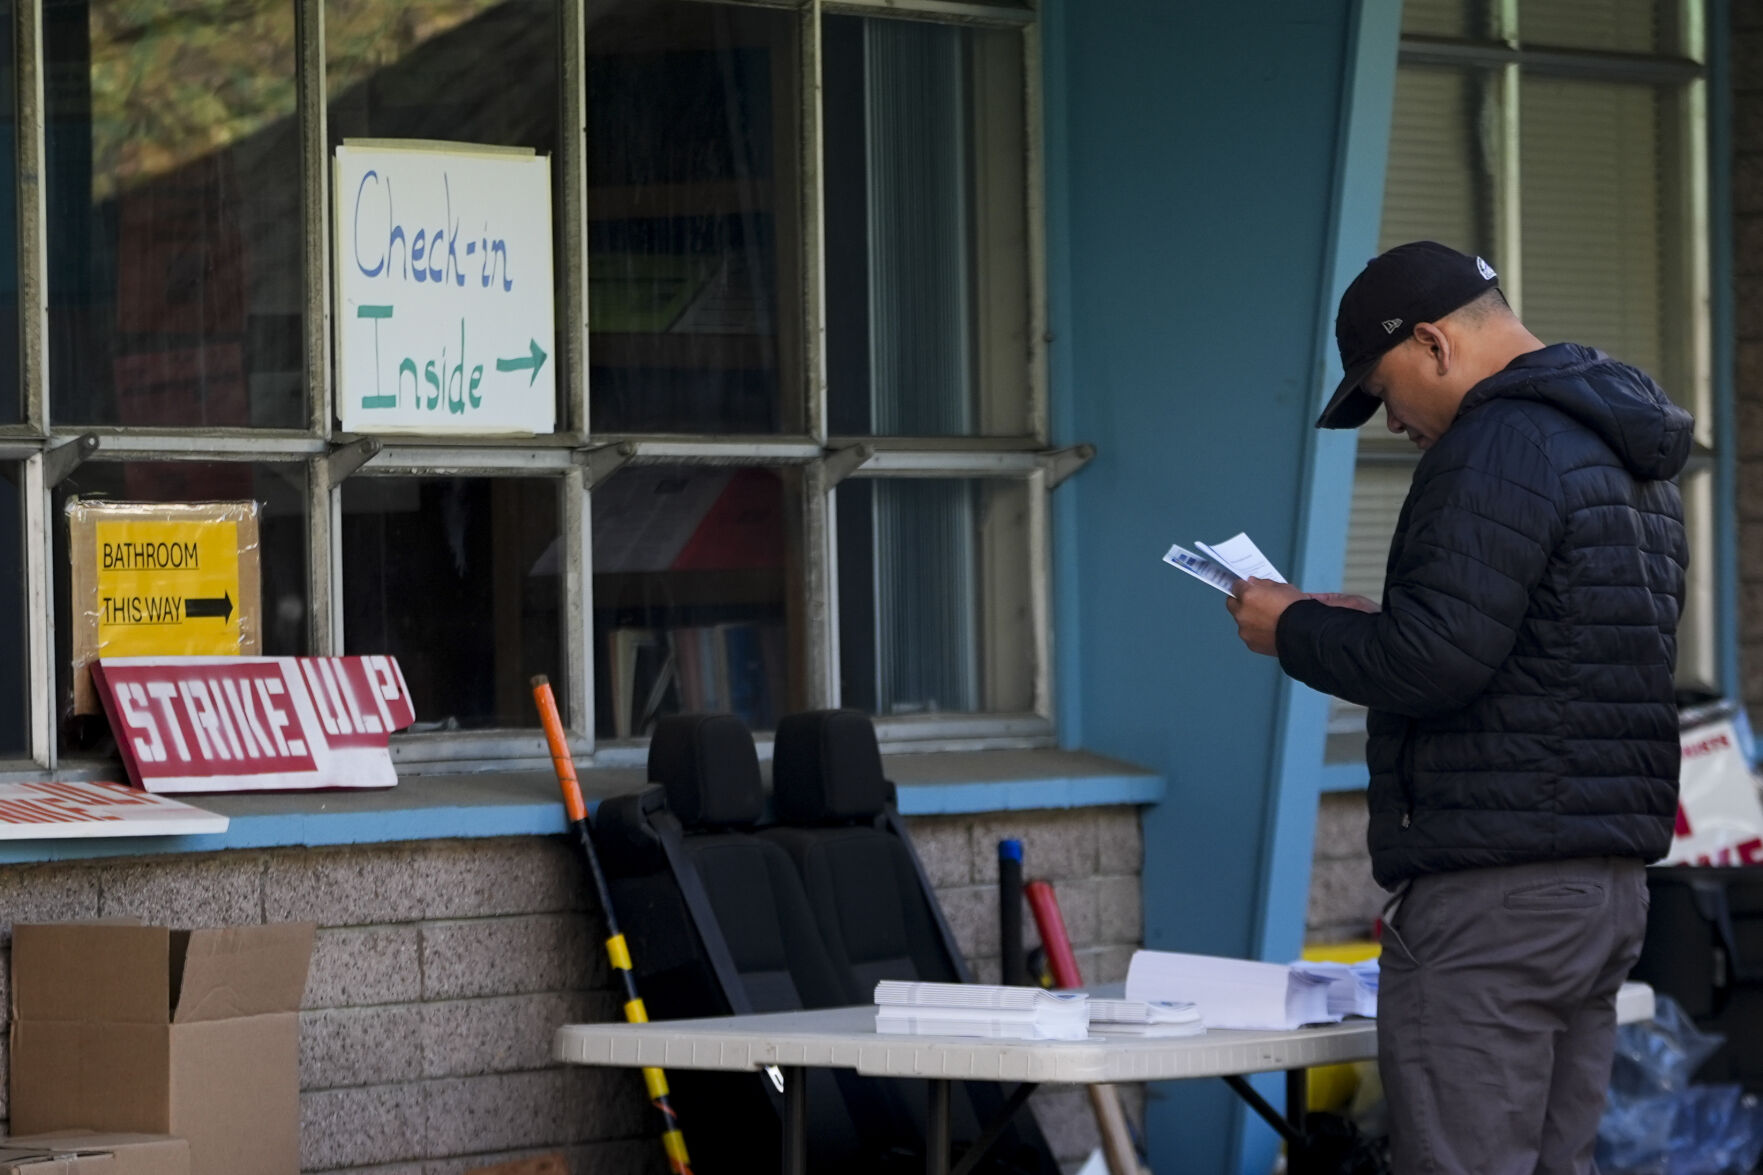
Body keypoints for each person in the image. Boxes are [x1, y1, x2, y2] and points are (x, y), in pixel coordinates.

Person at [1226, 241, 1690, 1175]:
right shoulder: (1624, 453)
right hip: (1602, 891)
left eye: (1383, 387)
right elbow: (1541, 653)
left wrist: (1297, 627)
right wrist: (1383, 620)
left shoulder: (1494, 444)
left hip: (1495, 896)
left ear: (1434, 343)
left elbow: (1434, 662)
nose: (1391, 421)